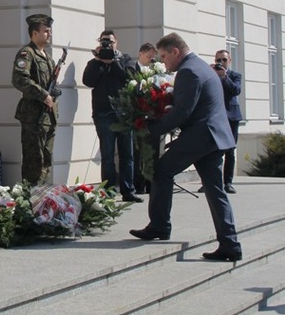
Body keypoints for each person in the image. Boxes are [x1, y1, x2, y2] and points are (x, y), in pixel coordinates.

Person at [130, 33, 242, 262]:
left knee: (162, 170)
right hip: (213, 136)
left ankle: (160, 226)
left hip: (202, 135)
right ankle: (230, 243)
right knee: (214, 189)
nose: (162, 62)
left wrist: (151, 127)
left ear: (175, 51)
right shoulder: (201, 66)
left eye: (163, 56)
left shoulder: (189, 71)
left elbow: (183, 112)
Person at [82, 30, 142, 202]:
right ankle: (108, 192)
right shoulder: (95, 62)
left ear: (117, 42)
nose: (107, 44)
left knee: (126, 154)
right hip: (103, 113)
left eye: (110, 41)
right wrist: (99, 62)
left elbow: (130, 78)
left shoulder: (126, 59)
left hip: (124, 113)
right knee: (107, 155)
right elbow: (88, 81)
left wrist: (114, 62)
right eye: (104, 41)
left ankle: (128, 191)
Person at [12, 14, 58, 185]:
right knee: (34, 160)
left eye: (49, 31)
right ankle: (29, 199)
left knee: (46, 159)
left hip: (48, 117)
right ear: (34, 33)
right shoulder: (27, 54)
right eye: (45, 31)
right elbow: (19, 79)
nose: (49, 34)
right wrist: (43, 94)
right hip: (33, 117)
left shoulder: (48, 58)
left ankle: (40, 197)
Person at [198, 50, 242, 194]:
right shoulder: (211, 74)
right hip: (214, 116)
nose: (220, 63)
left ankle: (228, 182)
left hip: (231, 117)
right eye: (218, 60)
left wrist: (224, 77)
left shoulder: (234, 75)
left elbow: (236, 90)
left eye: (223, 60)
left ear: (229, 60)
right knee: (210, 151)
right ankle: (208, 182)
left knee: (229, 150)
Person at [133, 43, 161, 194]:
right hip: (136, 115)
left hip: (153, 115)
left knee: (153, 151)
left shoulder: (155, 71)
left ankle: (151, 184)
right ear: (140, 54)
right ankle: (139, 184)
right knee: (138, 152)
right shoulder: (132, 69)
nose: (151, 59)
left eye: (153, 57)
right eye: (149, 56)